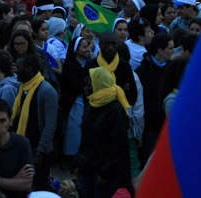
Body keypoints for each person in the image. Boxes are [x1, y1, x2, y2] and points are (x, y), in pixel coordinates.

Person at [77, 67, 131, 198]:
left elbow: (118, 146)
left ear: (99, 84)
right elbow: (85, 138)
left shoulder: (115, 110)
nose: (85, 89)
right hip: (88, 168)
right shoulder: (92, 103)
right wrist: (78, 163)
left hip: (104, 173)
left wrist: (106, 174)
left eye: (88, 85)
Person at [11, 54, 58, 191]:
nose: (15, 71)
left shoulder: (47, 91)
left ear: (29, 69)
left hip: (38, 151)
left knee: (38, 187)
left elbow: (50, 125)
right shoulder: (23, 88)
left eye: (18, 67)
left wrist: (40, 151)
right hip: (23, 147)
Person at [135, 33, 174, 161]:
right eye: (170, 48)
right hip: (149, 126)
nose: (173, 51)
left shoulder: (171, 69)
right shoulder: (143, 71)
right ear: (160, 50)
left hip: (167, 125)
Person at [60, 35, 93, 164]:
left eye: (87, 46)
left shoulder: (89, 64)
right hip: (74, 102)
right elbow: (75, 85)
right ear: (76, 49)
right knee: (74, 131)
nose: (87, 50)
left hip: (88, 101)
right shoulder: (70, 65)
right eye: (84, 47)